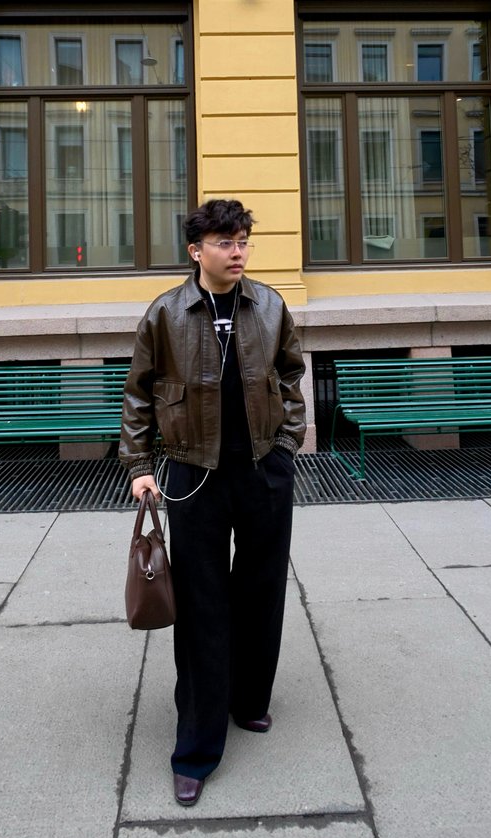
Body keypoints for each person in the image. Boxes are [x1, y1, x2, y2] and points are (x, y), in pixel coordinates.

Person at [119, 199, 306, 806]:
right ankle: (196, 749)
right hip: (193, 473)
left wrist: (286, 445)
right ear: (197, 251)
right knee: (202, 606)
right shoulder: (166, 313)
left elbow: (291, 376)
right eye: (226, 242)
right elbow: (139, 395)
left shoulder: (269, 305)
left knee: (261, 592)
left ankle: (249, 699)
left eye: (243, 240)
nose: (238, 251)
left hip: (263, 470)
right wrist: (140, 467)